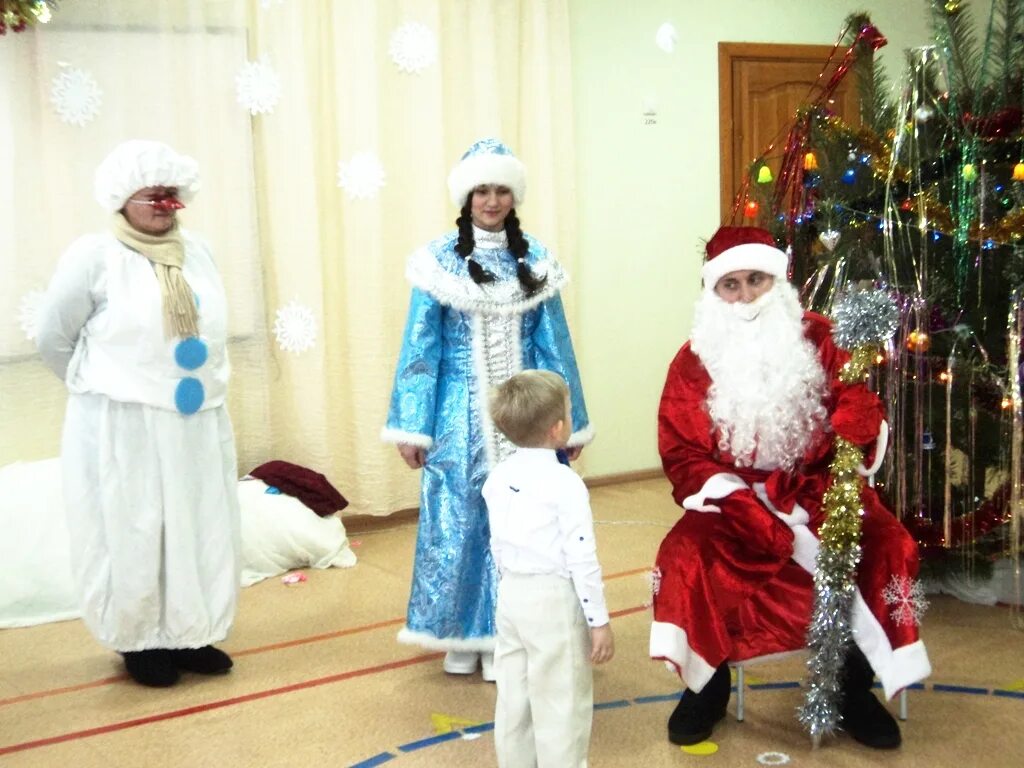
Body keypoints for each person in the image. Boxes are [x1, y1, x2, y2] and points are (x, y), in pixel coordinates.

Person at [649, 226, 931, 749]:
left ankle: (853, 688)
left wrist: (860, 419)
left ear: (777, 280)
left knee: (888, 545)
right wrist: (735, 502)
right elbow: (681, 450)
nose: (746, 296)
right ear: (712, 294)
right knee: (686, 555)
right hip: (730, 495)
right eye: (730, 285)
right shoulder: (693, 360)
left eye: (756, 279)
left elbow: (856, 401)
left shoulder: (821, 336)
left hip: (821, 486)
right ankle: (705, 686)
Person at [382, 139, 593, 681]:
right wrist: (413, 427)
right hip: (457, 417)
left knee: (524, 522)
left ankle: (506, 636)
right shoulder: (438, 263)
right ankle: (458, 633)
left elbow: (555, 347)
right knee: (457, 519)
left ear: (513, 195)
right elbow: (419, 351)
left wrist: (569, 422)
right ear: (467, 196)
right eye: (483, 190)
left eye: (501, 189)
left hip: (524, 419)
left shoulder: (535, 260)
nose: (492, 200)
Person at [35, 140, 240, 687]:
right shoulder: (93, 256)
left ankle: (189, 632)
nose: (163, 204)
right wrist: (108, 388)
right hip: (124, 423)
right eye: (152, 195)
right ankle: (140, 639)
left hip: (194, 420)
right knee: (134, 527)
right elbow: (54, 337)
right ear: (123, 198)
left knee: (198, 526)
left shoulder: (198, 252)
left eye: (171, 195)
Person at [482, 370, 614, 768]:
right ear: (558, 429)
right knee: (562, 701)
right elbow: (581, 557)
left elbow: (497, 545)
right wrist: (599, 620)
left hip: (511, 597)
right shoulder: (565, 483)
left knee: (515, 697)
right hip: (553, 601)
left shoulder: (497, 476)